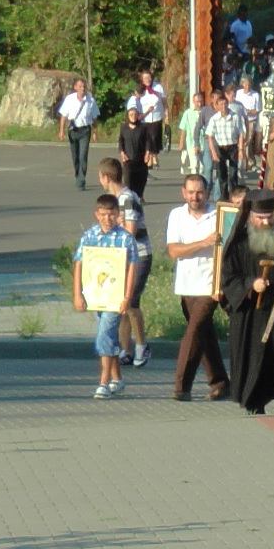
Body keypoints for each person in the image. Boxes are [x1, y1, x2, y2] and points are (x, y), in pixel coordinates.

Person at [219, 189, 274, 413]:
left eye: (269, 217)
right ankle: (254, 400)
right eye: (261, 218)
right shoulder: (238, 245)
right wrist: (251, 284)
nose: (265, 222)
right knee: (256, 354)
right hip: (252, 310)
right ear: (250, 216)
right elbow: (229, 277)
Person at [164, 174, 227, 401]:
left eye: (199, 192)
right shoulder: (177, 215)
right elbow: (174, 250)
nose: (195, 196)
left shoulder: (217, 215)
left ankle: (182, 386)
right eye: (191, 192)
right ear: (184, 192)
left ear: (207, 192)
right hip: (186, 285)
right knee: (204, 335)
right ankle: (220, 383)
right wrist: (203, 243)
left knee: (192, 334)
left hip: (209, 286)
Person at [72, 193, 141, 399]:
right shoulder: (89, 236)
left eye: (111, 214)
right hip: (95, 295)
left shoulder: (125, 238)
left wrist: (127, 297)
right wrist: (78, 294)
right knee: (108, 335)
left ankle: (103, 382)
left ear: (118, 215)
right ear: (96, 214)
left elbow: (131, 269)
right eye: (103, 215)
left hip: (116, 297)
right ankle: (117, 379)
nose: (107, 219)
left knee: (105, 334)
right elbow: (79, 264)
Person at [96, 158, 151, 368]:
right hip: (120, 258)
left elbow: (130, 232)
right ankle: (126, 348)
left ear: (106, 177)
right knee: (122, 303)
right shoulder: (112, 200)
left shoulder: (127, 198)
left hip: (139, 255)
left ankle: (142, 346)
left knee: (132, 301)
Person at [56, 77, 100, 189]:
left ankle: (81, 179)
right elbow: (63, 116)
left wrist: (95, 132)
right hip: (73, 130)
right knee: (75, 156)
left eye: (84, 86)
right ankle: (77, 173)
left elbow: (94, 118)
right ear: (75, 87)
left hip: (85, 130)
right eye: (80, 86)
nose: (82, 88)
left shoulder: (91, 101)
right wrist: (61, 131)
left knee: (83, 155)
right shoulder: (70, 99)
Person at [205, 88, 242, 195]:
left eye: (225, 104)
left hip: (233, 146)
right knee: (222, 175)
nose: (223, 106)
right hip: (220, 148)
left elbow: (241, 133)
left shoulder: (234, 116)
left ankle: (234, 195)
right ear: (217, 106)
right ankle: (224, 197)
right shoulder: (214, 119)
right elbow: (210, 136)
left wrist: (241, 150)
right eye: (221, 104)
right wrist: (213, 152)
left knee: (233, 174)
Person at [131, 71, 167, 166]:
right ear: (142, 79)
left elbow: (164, 102)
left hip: (156, 116)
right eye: (145, 78)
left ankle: (154, 156)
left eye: (149, 77)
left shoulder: (158, 87)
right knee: (147, 138)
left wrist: (166, 115)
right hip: (144, 118)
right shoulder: (140, 89)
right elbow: (135, 101)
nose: (148, 80)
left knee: (155, 137)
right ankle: (150, 158)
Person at [117, 105, 151, 197]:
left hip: (141, 159)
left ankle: (139, 196)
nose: (133, 116)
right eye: (131, 114)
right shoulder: (124, 127)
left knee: (141, 179)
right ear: (128, 116)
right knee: (128, 180)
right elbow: (121, 141)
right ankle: (129, 197)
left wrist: (148, 153)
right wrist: (122, 152)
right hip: (128, 159)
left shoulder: (143, 128)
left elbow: (148, 141)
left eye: (135, 114)